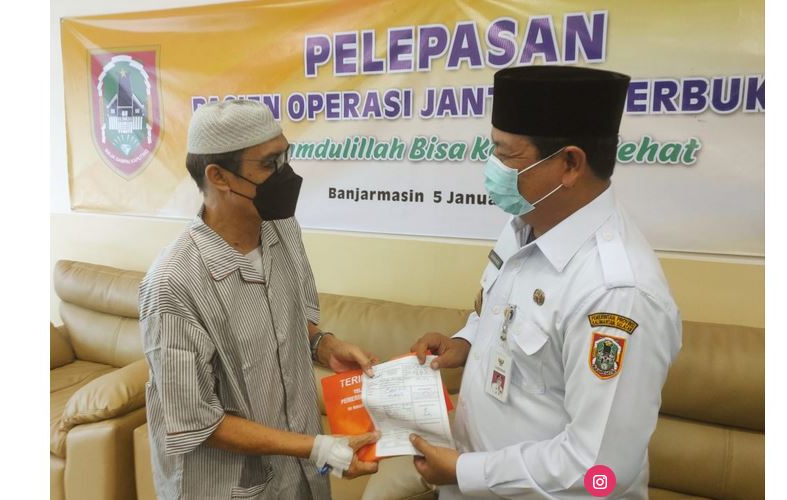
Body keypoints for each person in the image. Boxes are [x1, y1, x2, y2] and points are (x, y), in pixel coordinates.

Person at [408, 66, 682, 499]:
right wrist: (466, 341)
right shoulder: (525, 223)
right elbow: (504, 314)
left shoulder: (615, 294)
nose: (492, 166)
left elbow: (599, 471)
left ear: (570, 164)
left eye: (506, 155)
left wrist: (466, 470)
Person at [139, 100, 379, 500]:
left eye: (285, 157)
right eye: (269, 164)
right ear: (218, 176)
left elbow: (289, 321)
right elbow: (197, 421)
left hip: (301, 474)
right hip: (226, 487)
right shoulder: (173, 284)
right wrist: (315, 447)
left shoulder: (281, 228)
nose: (285, 174)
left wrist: (324, 344)